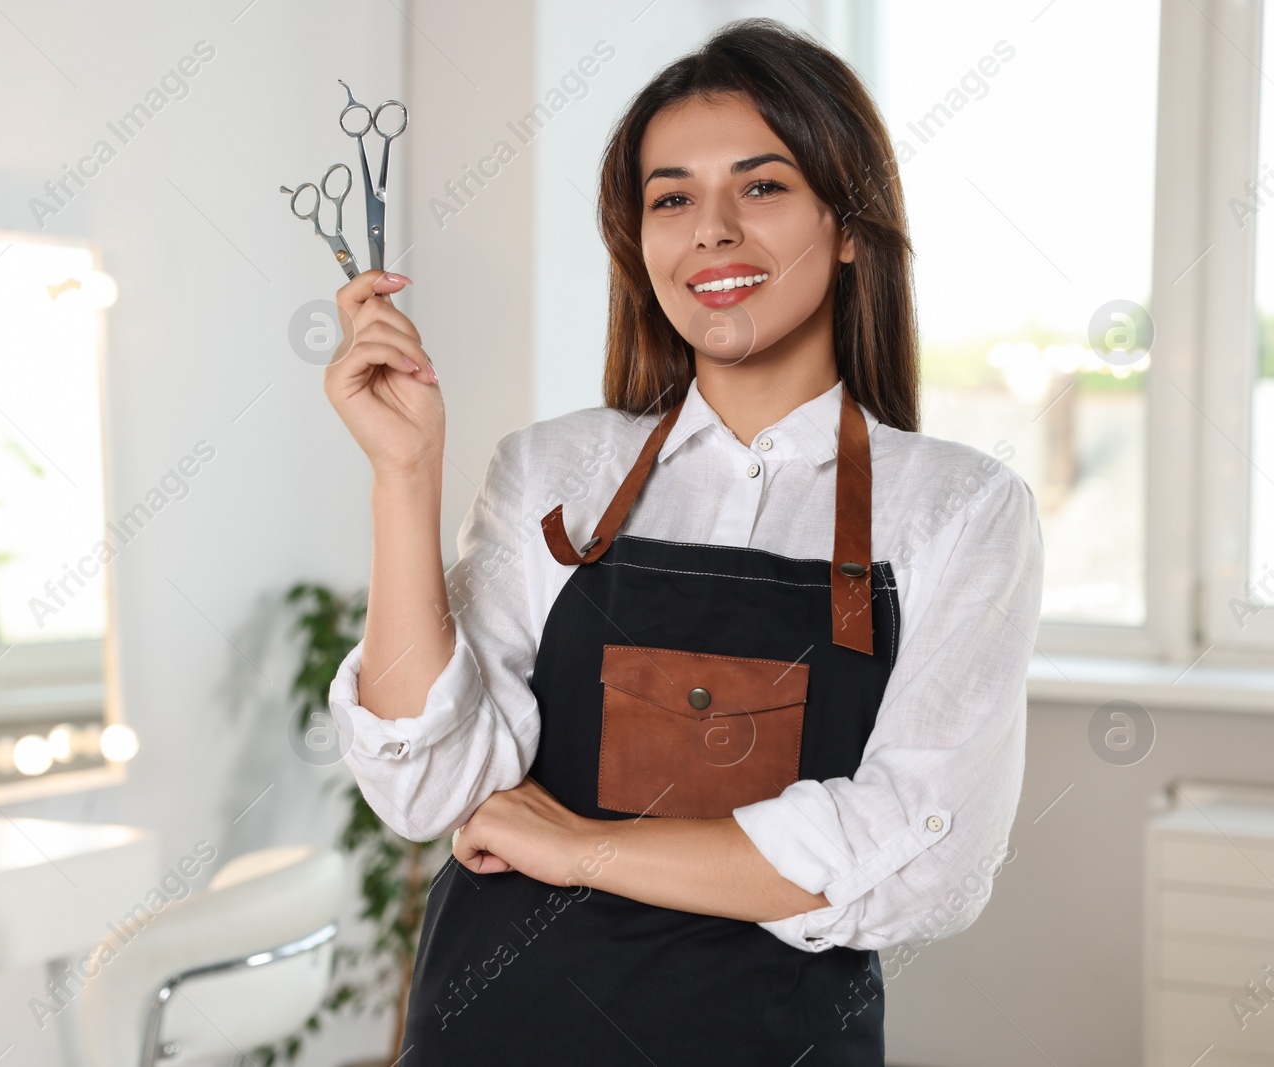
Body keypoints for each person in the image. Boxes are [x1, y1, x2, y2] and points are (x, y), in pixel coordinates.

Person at [323, 17, 1042, 1066]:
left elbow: (920, 856)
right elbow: (429, 786)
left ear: (848, 226)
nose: (710, 229)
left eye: (761, 186)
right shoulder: (551, 471)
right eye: (671, 197)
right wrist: (403, 475)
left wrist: (580, 846)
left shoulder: (958, 508)